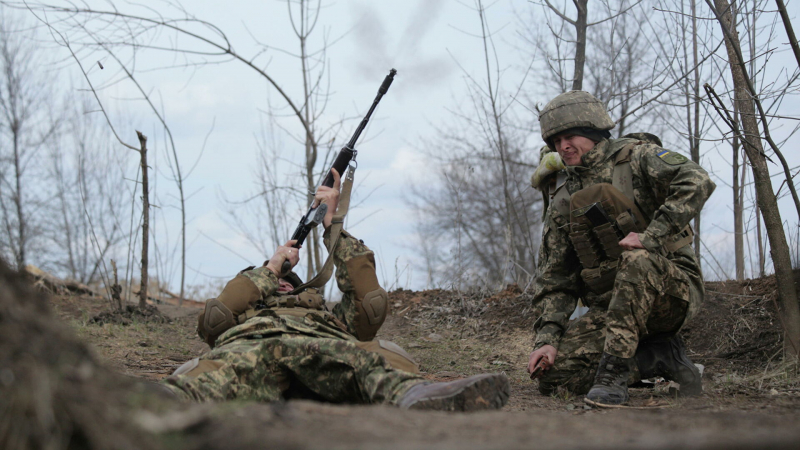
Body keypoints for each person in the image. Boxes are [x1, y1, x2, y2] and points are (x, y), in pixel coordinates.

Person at [161, 169, 509, 411]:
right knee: (216, 376)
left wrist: (333, 227)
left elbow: (369, 301)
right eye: (272, 281)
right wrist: (269, 268)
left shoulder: (328, 318)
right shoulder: (242, 316)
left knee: (367, 365)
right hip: (251, 349)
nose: (281, 280)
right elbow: (215, 319)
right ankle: (146, 403)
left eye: (287, 279)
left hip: (325, 348)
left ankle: (423, 398)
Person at [526, 91, 716, 406]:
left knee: (637, 260)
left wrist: (652, 236)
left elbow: (696, 180)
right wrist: (547, 339)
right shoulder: (563, 197)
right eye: (556, 141)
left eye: (571, 136)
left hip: (669, 294)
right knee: (554, 378)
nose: (563, 146)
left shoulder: (636, 157)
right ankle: (654, 358)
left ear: (593, 131)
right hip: (613, 311)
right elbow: (556, 276)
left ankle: (613, 374)